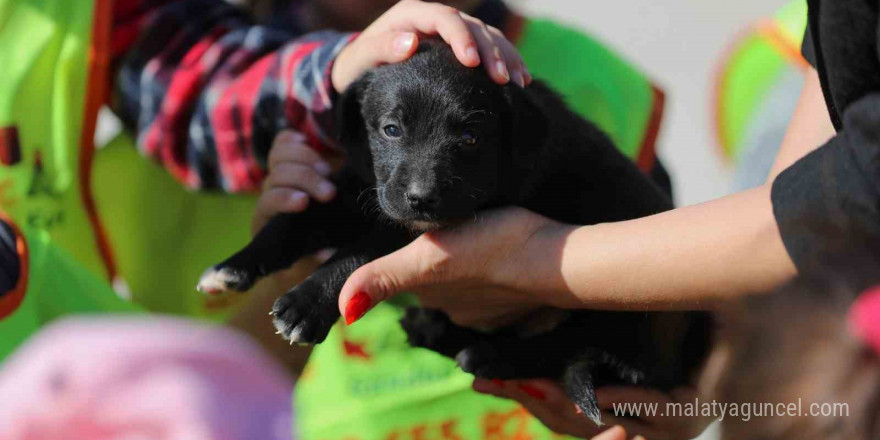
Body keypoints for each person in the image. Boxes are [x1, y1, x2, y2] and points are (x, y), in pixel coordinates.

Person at [308, 0, 880, 437]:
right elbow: (819, 173)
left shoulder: (582, 82)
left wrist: (536, 261)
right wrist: (721, 375)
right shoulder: (322, 85)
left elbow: (832, 202)